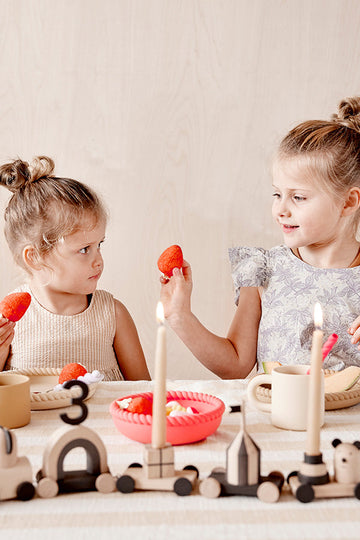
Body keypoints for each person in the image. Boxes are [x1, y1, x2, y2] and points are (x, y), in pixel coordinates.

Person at [160, 96, 360, 379]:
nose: (280, 210)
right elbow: (236, 365)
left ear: (348, 202)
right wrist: (179, 316)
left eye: (298, 197)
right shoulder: (263, 269)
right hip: (277, 419)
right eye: (277, 194)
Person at [0, 156, 150, 381]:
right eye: (84, 249)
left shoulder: (113, 315)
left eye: (99, 245)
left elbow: (143, 391)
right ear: (35, 257)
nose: (98, 260)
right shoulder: (9, 322)